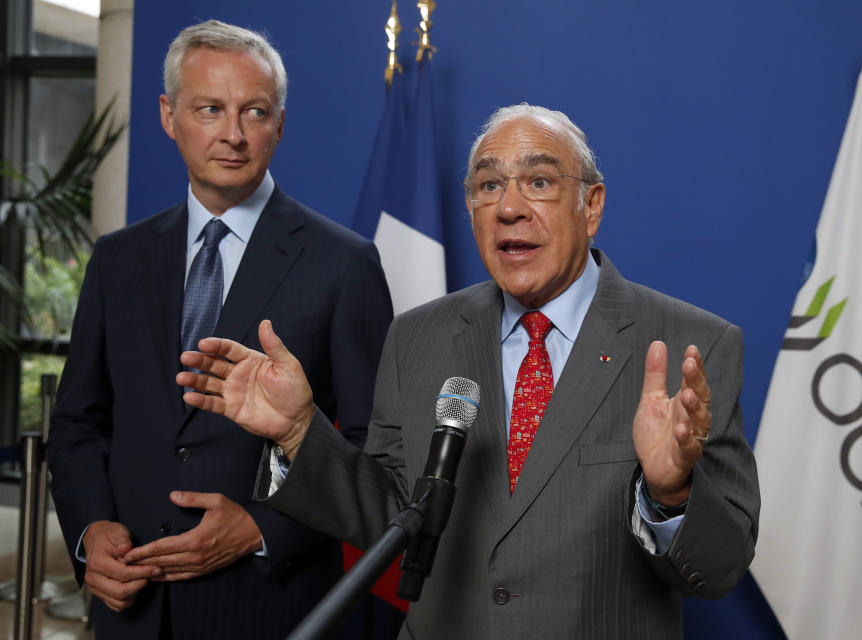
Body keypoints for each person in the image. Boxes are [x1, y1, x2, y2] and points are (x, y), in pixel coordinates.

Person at [178, 104, 760, 638]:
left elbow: (718, 569)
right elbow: (390, 515)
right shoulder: (417, 336)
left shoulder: (693, 345)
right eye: (488, 185)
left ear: (592, 206)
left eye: (538, 181)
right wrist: (300, 432)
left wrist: (670, 491)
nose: (509, 207)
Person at [46, 19, 393, 639]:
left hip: (270, 608)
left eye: (254, 112)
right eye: (210, 109)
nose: (233, 134)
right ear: (168, 114)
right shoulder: (117, 258)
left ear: (279, 124)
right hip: (132, 610)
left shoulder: (344, 263)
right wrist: (90, 531)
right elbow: (78, 423)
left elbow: (378, 451)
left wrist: (267, 527)